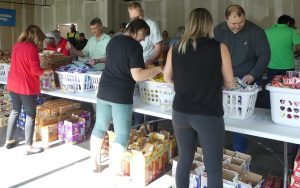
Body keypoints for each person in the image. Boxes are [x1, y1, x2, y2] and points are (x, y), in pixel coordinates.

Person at [164, 8, 235, 188]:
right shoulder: (219, 48)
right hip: (208, 115)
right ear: (209, 25)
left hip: (180, 113)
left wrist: (181, 86)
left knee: (185, 159)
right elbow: (230, 82)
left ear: (190, 24)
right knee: (213, 168)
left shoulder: (176, 47)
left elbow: (166, 76)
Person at [90, 18, 163, 176]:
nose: (144, 39)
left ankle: (94, 162)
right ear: (137, 29)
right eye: (144, 34)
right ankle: (115, 170)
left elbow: (116, 64)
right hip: (120, 95)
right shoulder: (135, 46)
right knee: (122, 134)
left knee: (100, 127)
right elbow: (137, 75)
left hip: (103, 91)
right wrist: (158, 69)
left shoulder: (113, 41)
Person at [214, 4, 271, 153]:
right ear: (225, 19)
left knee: (240, 117)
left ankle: (239, 153)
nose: (237, 26)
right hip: (222, 79)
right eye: (233, 23)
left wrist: (253, 74)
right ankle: (216, 148)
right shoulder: (217, 30)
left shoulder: (256, 31)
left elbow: (265, 55)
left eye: (241, 22)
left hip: (246, 81)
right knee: (219, 114)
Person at [4, 25, 52, 155]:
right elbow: (35, 70)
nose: (40, 42)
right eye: (40, 39)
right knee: (30, 115)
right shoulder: (31, 48)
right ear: (36, 37)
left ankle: (8, 140)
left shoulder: (17, 45)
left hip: (13, 84)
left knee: (15, 111)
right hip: (26, 86)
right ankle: (29, 146)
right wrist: (48, 70)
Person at [128, 1, 162, 131]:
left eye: (138, 17)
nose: (136, 20)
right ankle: (138, 130)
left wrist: (149, 61)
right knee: (136, 99)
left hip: (148, 66)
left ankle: (151, 132)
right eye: (133, 18)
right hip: (133, 68)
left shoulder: (152, 25)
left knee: (150, 102)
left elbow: (158, 48)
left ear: (142, 12)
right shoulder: (129, 26)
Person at [265, 15, 300, 83]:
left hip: (272, 67)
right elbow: (299, 47)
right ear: (289, 22)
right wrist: (294, 53)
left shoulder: (267, 31)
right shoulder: (292, 31)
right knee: (287, 88)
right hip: (288, 67)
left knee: (272, 88)